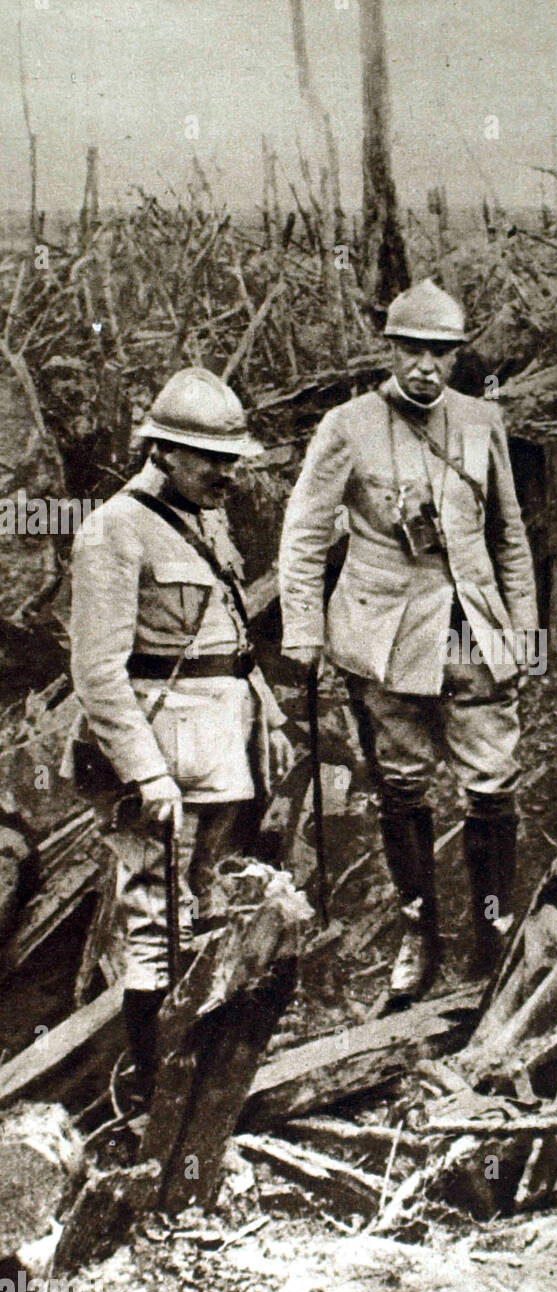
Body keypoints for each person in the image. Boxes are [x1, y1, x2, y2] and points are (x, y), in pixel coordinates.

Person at [279, 279, 539, 1004]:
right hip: (388, 634)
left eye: (440, 353)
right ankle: (416, 931)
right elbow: (303, 534)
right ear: (387, 349)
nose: (425, 367)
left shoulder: (483, 421)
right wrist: (302, 629)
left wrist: (522, 635)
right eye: (411, 350)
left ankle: (493, 935)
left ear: (457, 356)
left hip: (473, 632)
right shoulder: (347, 426)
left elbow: (509, 536)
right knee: (402, 780)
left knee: (492, 780)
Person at [64, 366, 293, 1104]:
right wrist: (144, 773)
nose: (228, 473)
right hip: (163, 758)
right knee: (153, 926)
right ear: (161, 451)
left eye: (233, 459)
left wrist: (270, 712)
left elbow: (224, 633)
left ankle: (202, 1088)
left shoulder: (205, 517)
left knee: (203, 910)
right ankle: (152, 1095)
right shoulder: (113, 531)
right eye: (211, 459)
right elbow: (96, 670)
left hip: (221, 748)